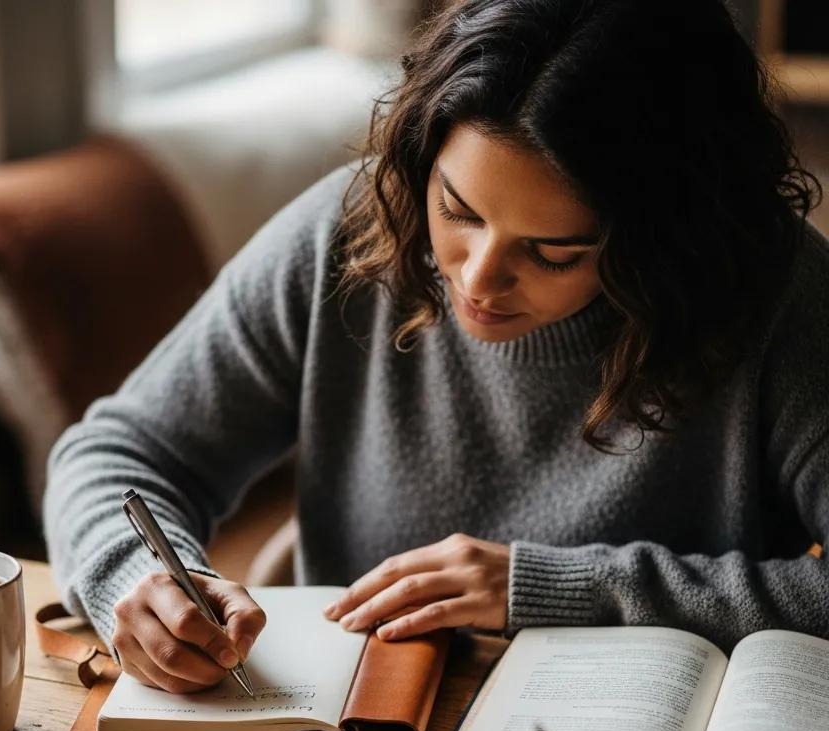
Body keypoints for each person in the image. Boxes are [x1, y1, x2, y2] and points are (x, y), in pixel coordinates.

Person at [44, 0, 828, 694]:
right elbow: (115, 452)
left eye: (553, 252)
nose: (478, 279)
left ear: (668, 240)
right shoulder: (347, 235)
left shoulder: (779, 295)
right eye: (458, 209)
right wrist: (137, 573)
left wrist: (559, 587)